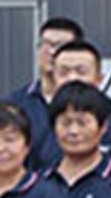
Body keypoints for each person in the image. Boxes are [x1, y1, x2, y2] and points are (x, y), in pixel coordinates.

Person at [10, 18, 84, 170]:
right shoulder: (16, 103)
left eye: (60, 46)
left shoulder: (94, 106)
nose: (52, 52)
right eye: (46, 44)